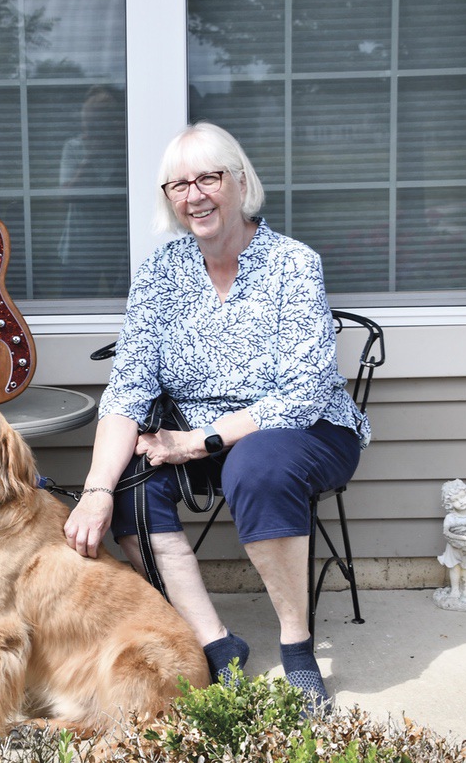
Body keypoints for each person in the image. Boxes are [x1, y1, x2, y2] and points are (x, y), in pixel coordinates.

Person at [63, 121, 370, 708]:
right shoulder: (160, 272)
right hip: (194, 434)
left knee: (257, 465)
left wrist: (200, 441)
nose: (194, 195)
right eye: (178, 185)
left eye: (209, 178)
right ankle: (216, 645)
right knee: (128, 486)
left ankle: (297, 647)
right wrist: (96, 489)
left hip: (303, 430)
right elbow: (128, 387)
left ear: (241, 182)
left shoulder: (292, 264)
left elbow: (302, 390)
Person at [436, 479, 466, 600]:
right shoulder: (450, 517)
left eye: (462, 497)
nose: (460, 501)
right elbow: (447, 532)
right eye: (455, 500)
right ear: (449, 503)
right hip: (454, 548)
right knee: (455, 568)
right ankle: (455, 589)